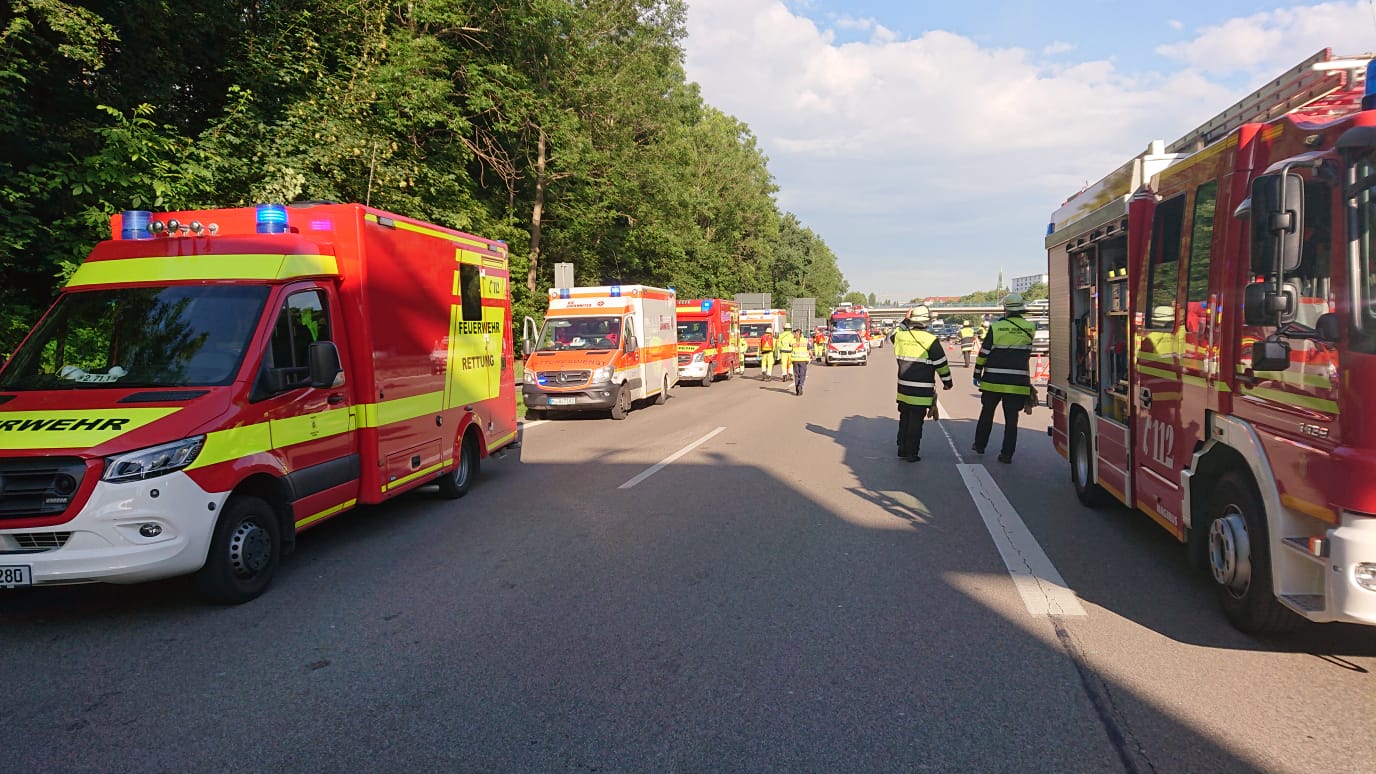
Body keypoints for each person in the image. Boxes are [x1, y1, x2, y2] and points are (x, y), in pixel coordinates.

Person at [973, 293, 1036, 463]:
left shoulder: (996, 328)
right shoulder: (1030, 327)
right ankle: (1007, 454)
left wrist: (977, 372)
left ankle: (980, 445)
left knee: (987, 413)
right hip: (1018, 382)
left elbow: (984, 352)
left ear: (1005, 309)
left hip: (993, 380)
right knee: (1011, 420)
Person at [889, 305, 952, 462]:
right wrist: (947, 382)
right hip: (922, 390)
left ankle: (901, 449)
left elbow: (893, 333)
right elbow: (941, 364)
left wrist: (905, 319)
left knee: (904, 418)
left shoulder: (901, 337)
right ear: (926, 322)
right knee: (916, 421)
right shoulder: (931, 340)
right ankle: (912, 453)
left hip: (903, 388)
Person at [790, 326, 812, 395]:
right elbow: (809, 349)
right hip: (803, 360)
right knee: (802, 375)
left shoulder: (792, 341)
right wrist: (812, 355)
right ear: (801, 334)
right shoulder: (805, 340)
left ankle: (797, 389)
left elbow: (789, 346)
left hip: (795, 360)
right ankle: (800, 385)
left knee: (796, 375)